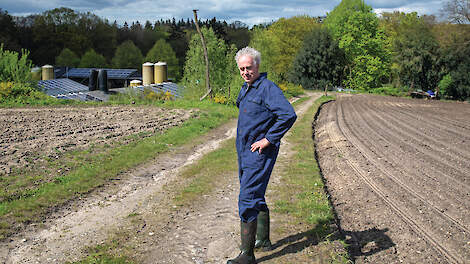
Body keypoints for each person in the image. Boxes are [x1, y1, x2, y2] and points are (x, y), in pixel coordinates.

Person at [227, 47, 297, 264]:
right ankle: (263, 240)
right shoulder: (246, 88)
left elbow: (288, 115)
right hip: (244, 151)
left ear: (257, 66)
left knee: (247, 197)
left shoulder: (268, 88)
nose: (245, 72)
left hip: (260, 152)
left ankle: (247, 256)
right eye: (241, 69)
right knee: (255, 193)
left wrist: (268, 139)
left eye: (249, 68)